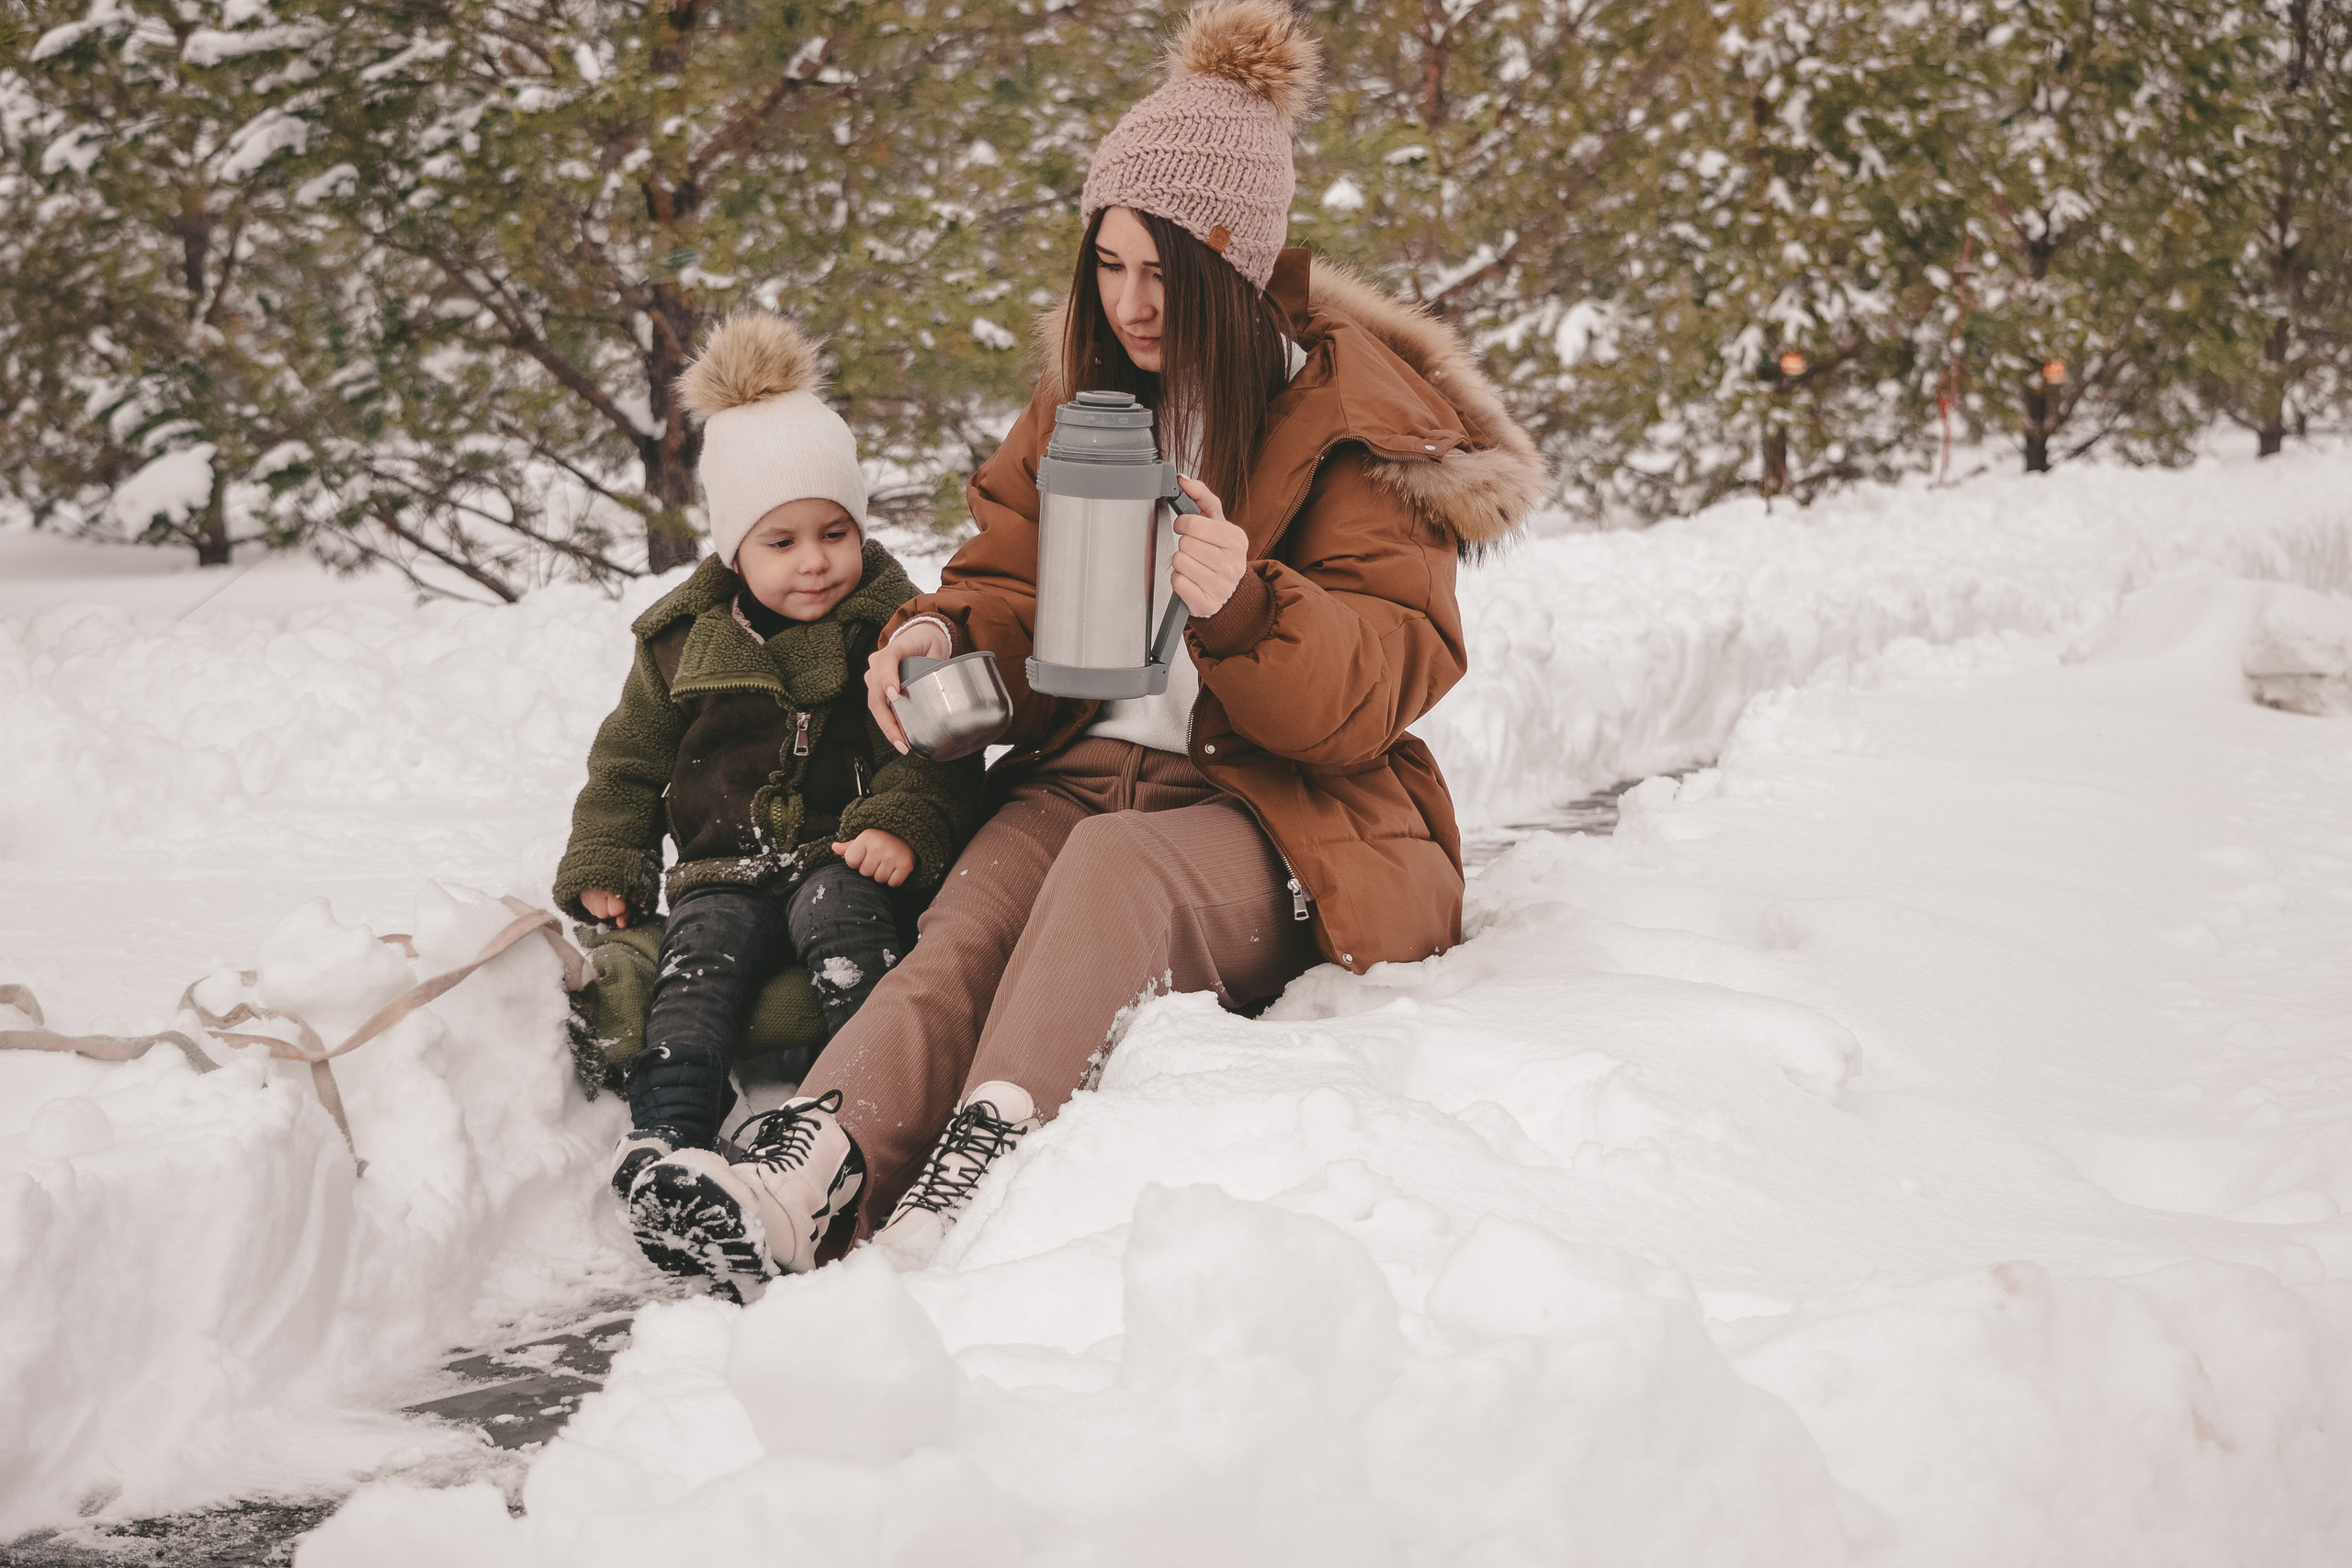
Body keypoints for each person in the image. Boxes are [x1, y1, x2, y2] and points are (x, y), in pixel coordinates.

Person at [699, 0, 1545, 1276]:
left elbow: (1375, 685)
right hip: (1087, 769)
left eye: (1166, 270)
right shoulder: (1085, 407)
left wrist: (1249, 604)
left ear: (1237, 266)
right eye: (1108, 263)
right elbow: (1005, 581)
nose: (1132, 303)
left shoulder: (1362, 431)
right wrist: (939, 636)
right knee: (974, 911)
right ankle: (813, 1157)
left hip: (1283, 813)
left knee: (1108, 867)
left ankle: (986, 1159)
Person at [551, 310, 984, 1295]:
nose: (814, 562)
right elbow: (625, 765)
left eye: (834, 533)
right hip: (721, 866)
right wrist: (610, 862)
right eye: (781, 541)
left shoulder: (897, 624)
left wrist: (899, 825)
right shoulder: (679, 644)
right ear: (734, 549)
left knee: (845, 927)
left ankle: (853, 1112)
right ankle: (667, 1133)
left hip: (845, 856)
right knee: (695, 970)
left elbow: (939, 752)